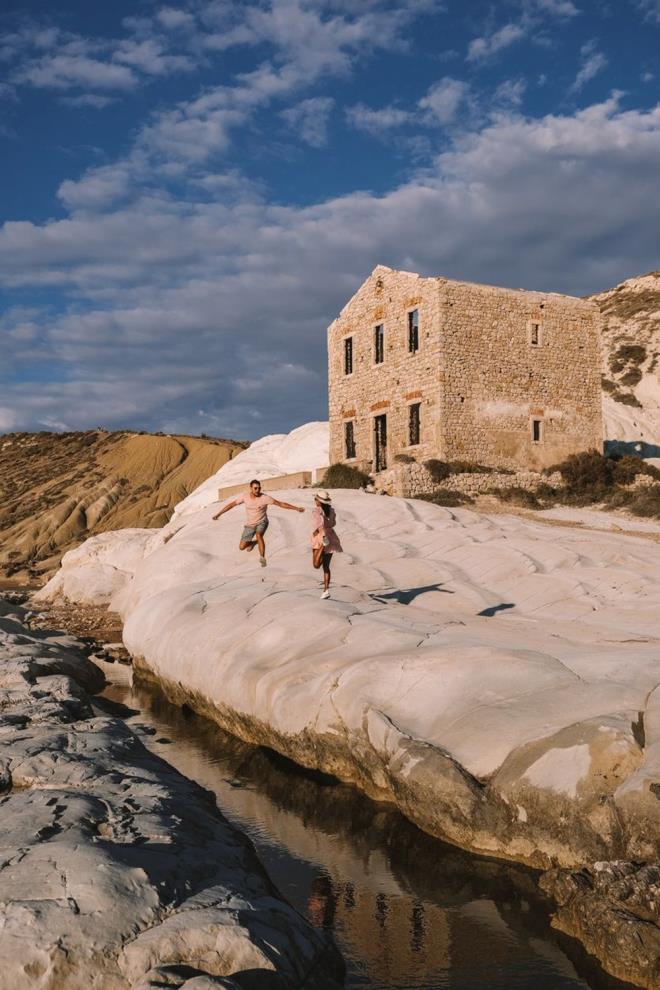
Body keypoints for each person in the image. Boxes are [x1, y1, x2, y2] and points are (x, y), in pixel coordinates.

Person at [213, 478, 304, 567]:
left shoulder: (265, 498)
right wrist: (219, 514)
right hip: (250, 524)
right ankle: (253, 543)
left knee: (259, 535)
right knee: (241, 547)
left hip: (262, 522)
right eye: (255, 488)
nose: (257, 490)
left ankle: (262, 558)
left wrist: (296, 508)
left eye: (259, 488)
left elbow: (280, 504)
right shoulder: (245, 497)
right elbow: (231, 505)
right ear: (251, 488)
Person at [311, 490, 342, 599]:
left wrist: (317, 531)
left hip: (320, 536)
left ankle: (323, 545)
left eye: (316, 499)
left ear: (319, 501)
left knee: (316, 564)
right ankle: (326, 591)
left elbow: (318, 523)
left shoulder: (317, 511)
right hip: (331, 536)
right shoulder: (331, 510)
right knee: (326, 566)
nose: (314, 500)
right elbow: (333, 523)